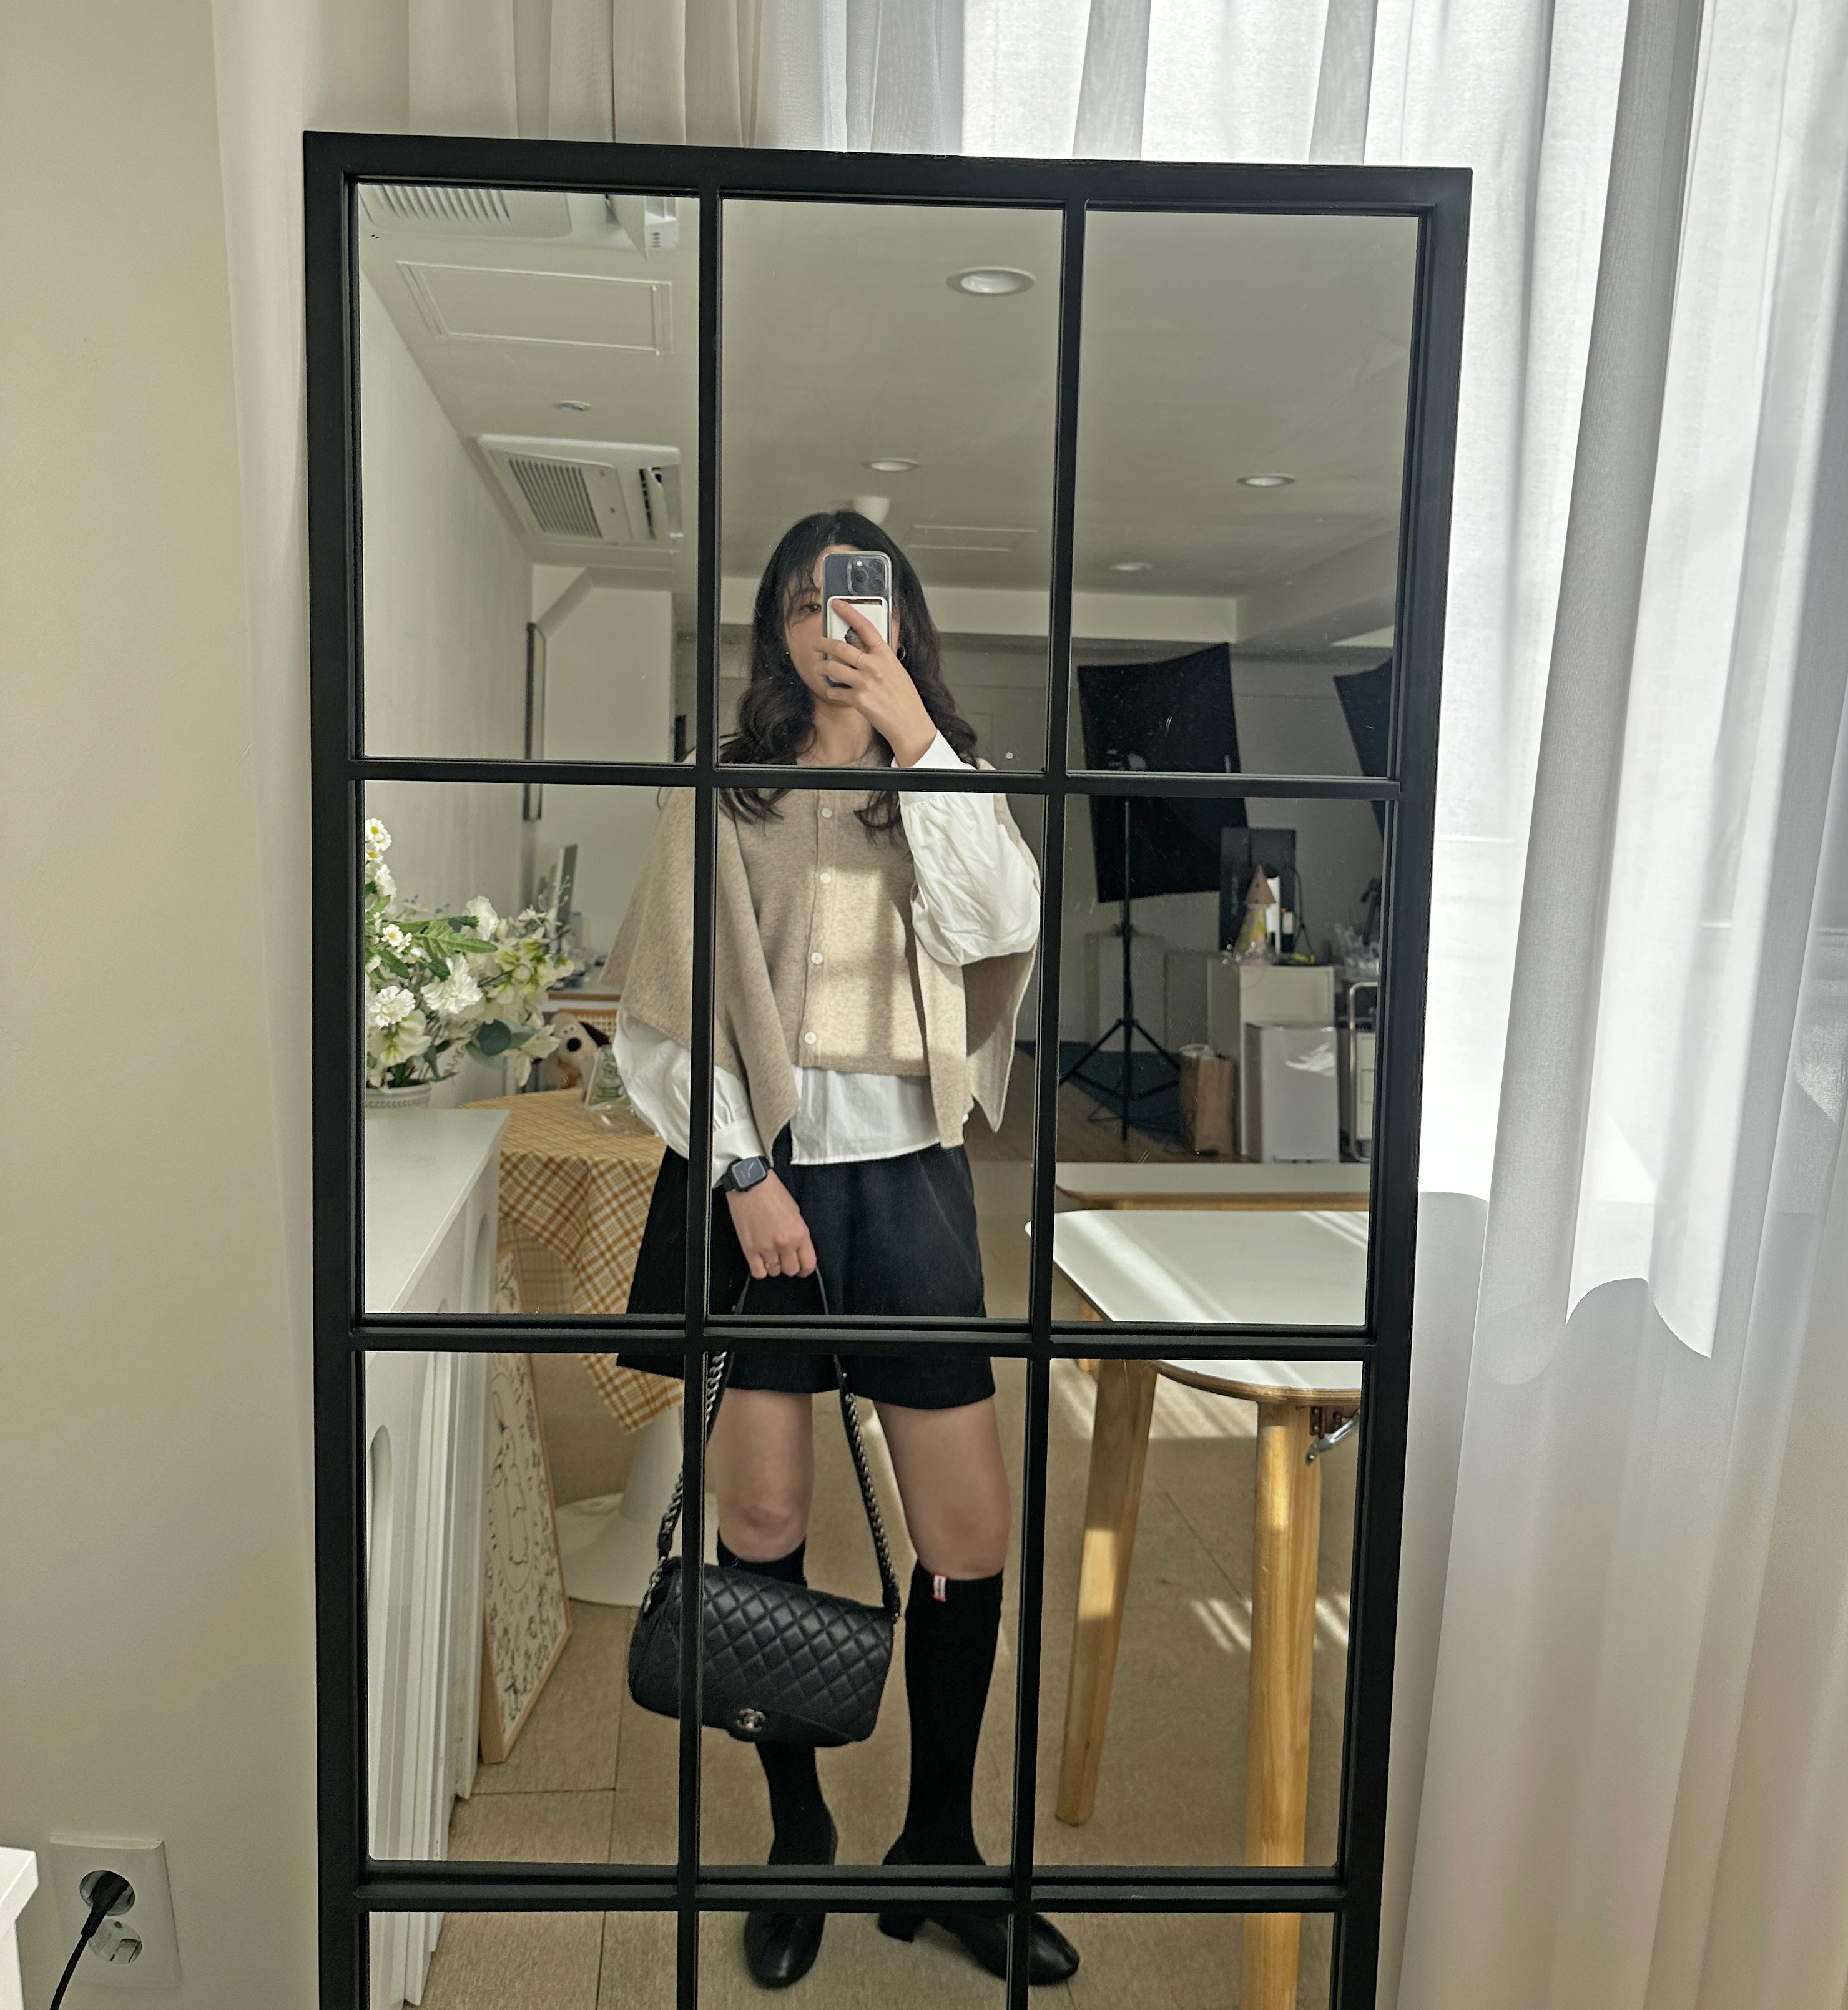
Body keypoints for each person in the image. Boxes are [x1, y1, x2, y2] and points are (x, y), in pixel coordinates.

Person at [604, 511, 1080, 1990]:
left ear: (900, 618)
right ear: (773, 626)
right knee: (761, 1513)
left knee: (968, 1533)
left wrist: (917, 737)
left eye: (859, 600)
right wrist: (742, 1170)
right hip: (758, 1179)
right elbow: (661, 1007)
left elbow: (1004, 923)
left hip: (911, 1182)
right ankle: (797, 1829)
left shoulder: (938, 778)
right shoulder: (727, 789)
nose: (834, 624)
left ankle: (938, 1848)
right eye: (807, 602)